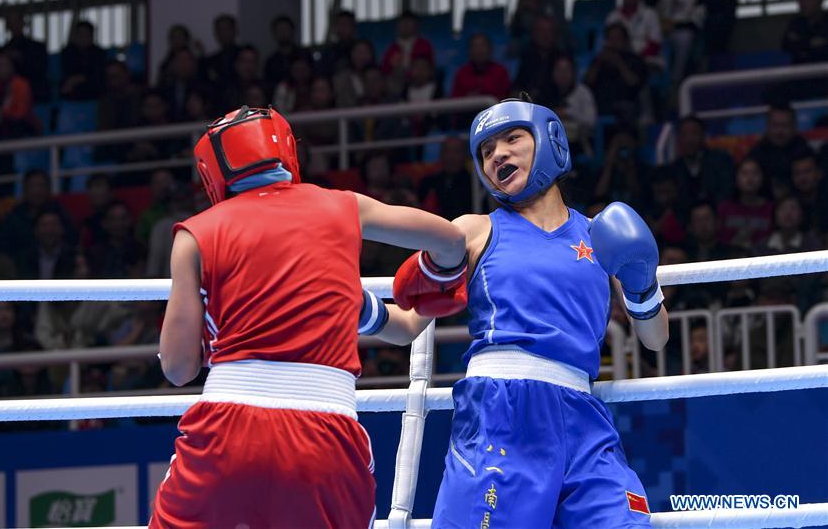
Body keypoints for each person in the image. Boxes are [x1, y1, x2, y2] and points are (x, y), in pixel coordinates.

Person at [151, 105, 468, 528]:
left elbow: (177, 369)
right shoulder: (343, 211)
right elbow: (449, 243)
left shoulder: (195, 234)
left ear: (212, 171)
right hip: (325, 435)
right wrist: (436, 281)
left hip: (227, 428)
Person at [408, 97, 669, 528]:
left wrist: (642, 283)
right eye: (487, 151)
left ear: (550, 141)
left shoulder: (602, 235)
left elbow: (655, 339)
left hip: (583, 418)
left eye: (512, 139)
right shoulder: (475, 229)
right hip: (502, 411)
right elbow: (410, 321)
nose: (499, 155)